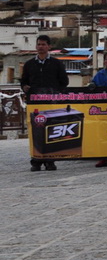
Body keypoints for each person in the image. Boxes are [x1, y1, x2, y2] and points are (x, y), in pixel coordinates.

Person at [21, 35, 69, 172]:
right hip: (35, 105)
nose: (41, 47)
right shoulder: (29, 64)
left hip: (51, 104)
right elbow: (23, 81)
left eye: (43, 44)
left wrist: (55, 93)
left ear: (49, 46)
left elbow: (64, 82)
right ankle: (36, 161)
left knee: (51, 131)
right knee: (36, 131)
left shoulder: (56, 63)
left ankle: (50, 160)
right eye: (39, 44)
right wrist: (24, 87)